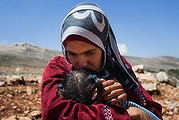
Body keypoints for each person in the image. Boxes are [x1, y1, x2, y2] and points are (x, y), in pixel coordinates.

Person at [41, 2, 163, 120]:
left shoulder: (120, 69)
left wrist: (125, 96)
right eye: (72, 53)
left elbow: (153, 111)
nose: (82, 63)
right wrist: (129, 115)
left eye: (90, 53)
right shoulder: (57, 68)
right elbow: (55, 113)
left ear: (104, 46)